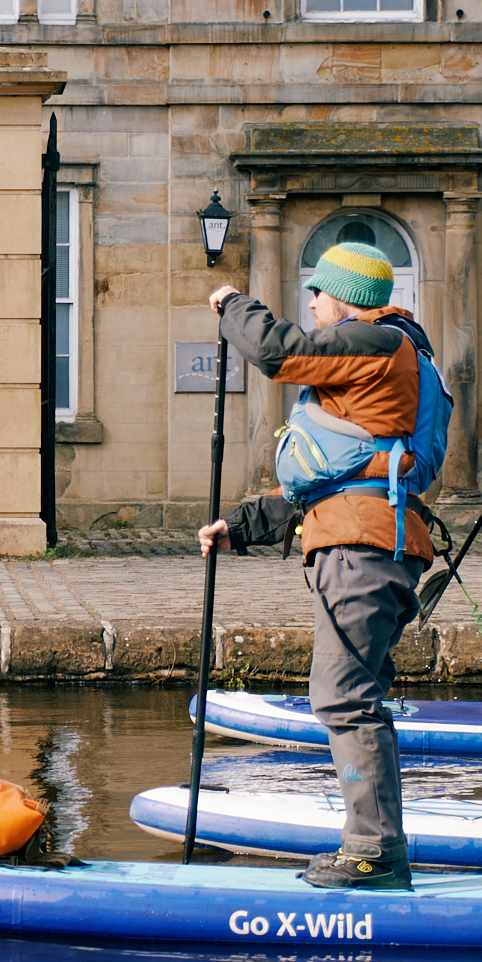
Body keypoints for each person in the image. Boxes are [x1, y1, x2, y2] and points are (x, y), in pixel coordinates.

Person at [198, 241, 442, 891]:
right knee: (352, 694)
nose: (309, 302)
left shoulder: (375, 341)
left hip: (364, 548)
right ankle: (373, 845)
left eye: (317, 292)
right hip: (366, 538)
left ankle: (374, 852)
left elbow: (275, 351)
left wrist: (232, 306)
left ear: (347, 297)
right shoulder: (381, 357)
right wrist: (243, 527)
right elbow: (337, 472)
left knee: (343, 695)